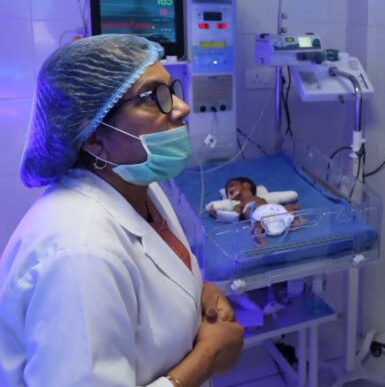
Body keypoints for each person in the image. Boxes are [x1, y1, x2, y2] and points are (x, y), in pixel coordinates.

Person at [0, 34, 245, 386]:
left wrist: (197, 294)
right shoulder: (80, 254)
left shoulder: (137, 185)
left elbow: (151, 276)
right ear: (93, 138)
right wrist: (206, 360)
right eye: (153, 97)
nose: (181, 107)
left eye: (171, 89)